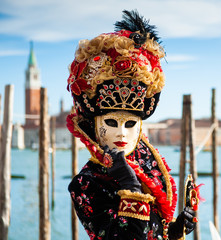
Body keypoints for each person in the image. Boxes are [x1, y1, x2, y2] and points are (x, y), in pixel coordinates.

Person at [66, 10, 198, 240]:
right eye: (110, 122)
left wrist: (175, 231)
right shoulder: (86, 183)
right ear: (93, 125)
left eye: (130, 124)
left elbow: (153, 232)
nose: (121, 133)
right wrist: (130, 186)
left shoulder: (146, 165)